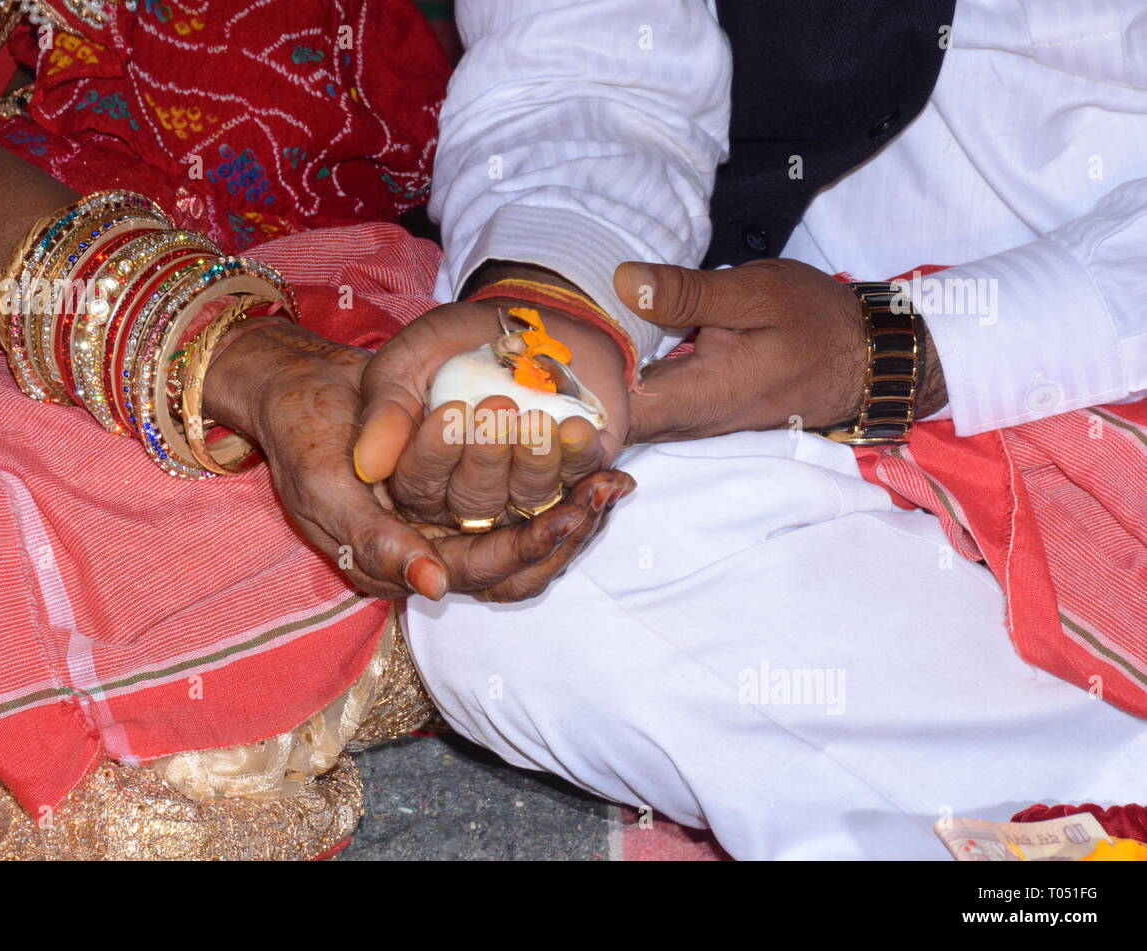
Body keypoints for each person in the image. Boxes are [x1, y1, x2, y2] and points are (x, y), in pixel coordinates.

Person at [0, 0, 633, 857]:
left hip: (278, 298)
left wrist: (257, 363)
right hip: (37, 332)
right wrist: (235, 358)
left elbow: (586, 92)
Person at [366, 0, 1147, 858]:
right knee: (531, 592)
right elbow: (589, 60)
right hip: (816, 375)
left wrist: (903, 347)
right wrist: (559, 300)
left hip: (1094, 347)